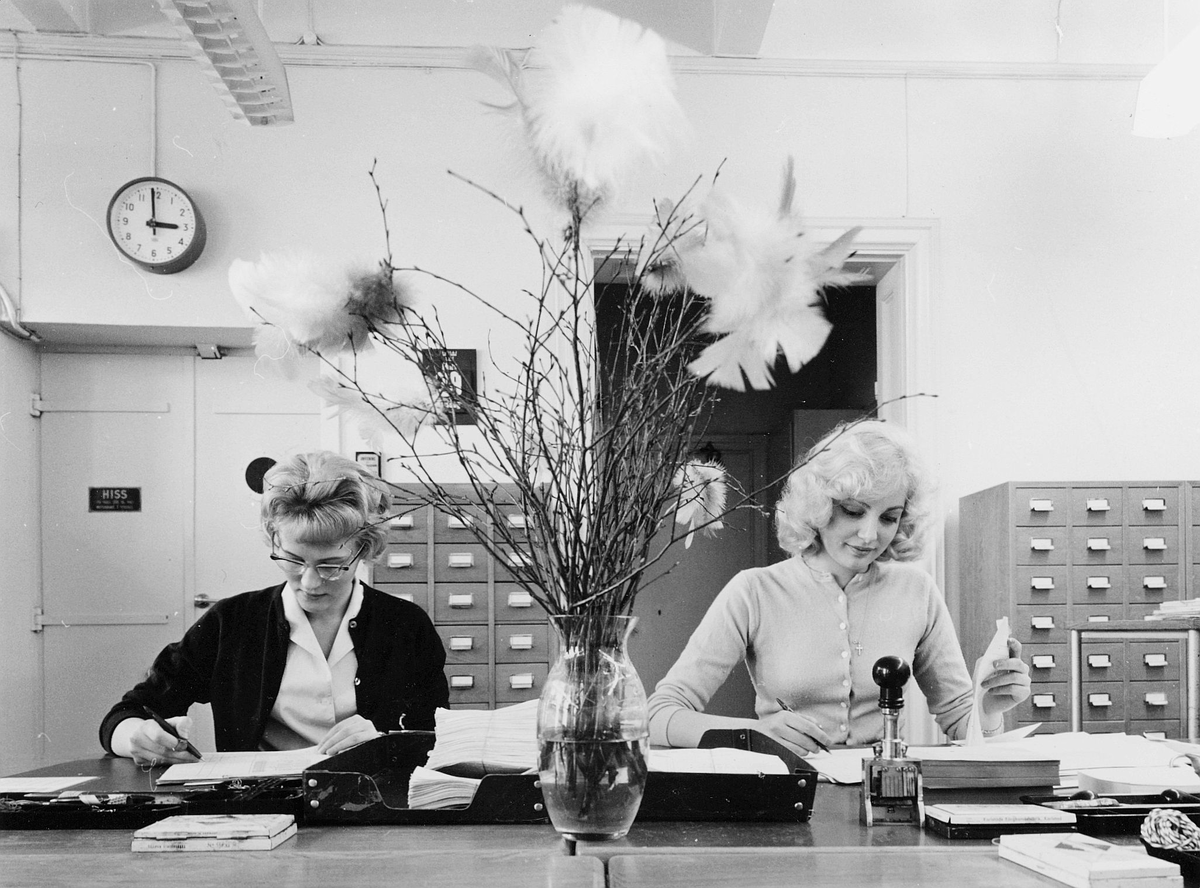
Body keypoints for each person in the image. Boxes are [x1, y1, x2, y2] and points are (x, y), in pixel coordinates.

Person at [647, 420, 1030, 756]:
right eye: (853, 511)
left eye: (889, 517)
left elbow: (960, 719)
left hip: (885, 792)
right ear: (821, 504)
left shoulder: (918, 591)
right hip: (789, 792)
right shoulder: (754, 591)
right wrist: (753, 734)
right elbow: (659, 715)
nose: (869, 535)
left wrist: (988, 708)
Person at [100, 450, 449, 765]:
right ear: (274, 540)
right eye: (293, 560)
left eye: (331, 565)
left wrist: (385, 743)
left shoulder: (406, 626)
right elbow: (129, 712)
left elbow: (436, 737)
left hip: (371, 801)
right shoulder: (231, 622)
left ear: (366, 550)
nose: (310, 582)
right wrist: (136, 737)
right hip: (260, 803)